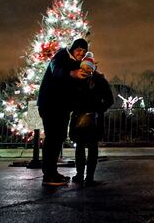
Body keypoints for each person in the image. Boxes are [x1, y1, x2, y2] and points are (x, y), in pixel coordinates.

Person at [37, 37, 91, 186]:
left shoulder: (77, 64)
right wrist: (72, 74)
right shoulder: (61, 55)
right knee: (52, 138)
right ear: (73, 49)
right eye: (79, 49)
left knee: (59, 137)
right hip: (50, 104)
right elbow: (56, 71)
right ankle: (48, 175)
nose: (81, 53)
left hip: (63, 107)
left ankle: (53, 172)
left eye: (84, 51)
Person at [69, 51, 114, 186]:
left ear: (93, 69)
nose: (85, 70)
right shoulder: (76, 80)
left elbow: (109, 100)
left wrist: (98, 108)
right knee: (81, 147)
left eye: (88, 67)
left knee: (90, 148)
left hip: (92, 118)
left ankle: (88, 177)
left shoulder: (99, 81)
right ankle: (80, 175)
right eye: (83, 67)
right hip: (80, 117)